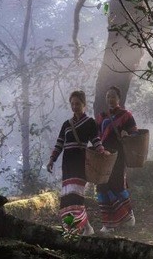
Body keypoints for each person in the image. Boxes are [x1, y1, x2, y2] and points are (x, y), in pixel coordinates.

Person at [46, 90, 99, 235]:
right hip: (67, 165)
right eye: (72, 104)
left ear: (84, 105)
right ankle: (81, 228)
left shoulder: (90, 123)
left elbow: (96, 140)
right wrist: (52, 159)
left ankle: (79, 229)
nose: (75, 106)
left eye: (78, 104)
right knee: (68, 198)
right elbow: (59, 144)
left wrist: (102, 152)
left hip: (81, 164)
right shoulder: (66, 125)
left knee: (76, 196)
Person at [96, 85, 137, 232]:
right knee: (101, 187)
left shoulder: (126, 115)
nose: (110, 99)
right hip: (103, 156)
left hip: (119, 155)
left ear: (119, 98)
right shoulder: (101, 116)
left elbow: (135, 134)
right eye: (108, 96)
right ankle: (109, 223)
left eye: (113, 96)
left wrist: (127, 136)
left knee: (117, 185)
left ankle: (128, 215)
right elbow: (97, 136)